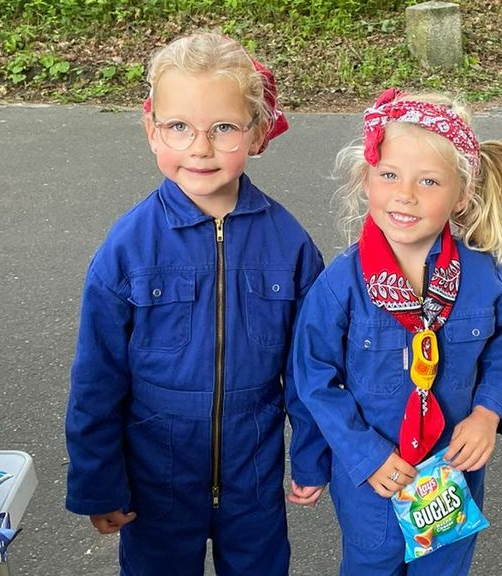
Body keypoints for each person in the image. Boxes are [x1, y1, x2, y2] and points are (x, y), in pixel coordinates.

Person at [64, 32, 329, 576]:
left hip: (252, 474)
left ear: (258, 132)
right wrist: (98, 482)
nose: (200, 148)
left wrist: (311, 453)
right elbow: (97, 376)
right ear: (151, 130)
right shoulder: (128, 247)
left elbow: (311, 367)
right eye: (179, 126)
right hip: (155, 478)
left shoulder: (289, 243)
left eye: (224, 128)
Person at [291, 88, 502, 575]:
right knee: (371, 564)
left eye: (429, 181)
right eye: (390, 175)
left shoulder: (481, 276)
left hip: (451, 475)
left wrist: (488, 412)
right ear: (366, 179)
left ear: (461, 195)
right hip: (374, 479)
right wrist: (353, 456)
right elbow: (313, 379)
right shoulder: (340, 286)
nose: (406, 194)